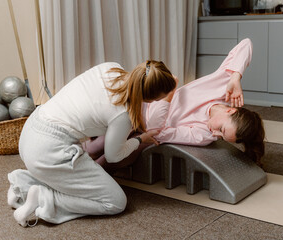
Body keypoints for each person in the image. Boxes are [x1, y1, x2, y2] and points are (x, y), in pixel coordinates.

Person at [7, 60, 176, 227]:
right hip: (48, 151)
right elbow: (113, 156)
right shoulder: (123, 116)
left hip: (31, 131)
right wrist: (140, 139)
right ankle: (44, 198)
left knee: (72, 177)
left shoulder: (111, 67)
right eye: (155, 100)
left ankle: (23, 183)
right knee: (116, 201)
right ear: (148, 98)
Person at [83, 38, 265, 171]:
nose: (215, 134)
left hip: (147, 129)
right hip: (142, 106)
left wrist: (169, 97)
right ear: (230, 110)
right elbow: (246, 43)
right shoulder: (223, 88)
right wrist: (235, 76)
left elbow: (156, 130)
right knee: (94, 147)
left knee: (112, 158)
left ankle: (86, 176)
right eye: (221, 129)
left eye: (221, 137)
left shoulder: (203, 135)